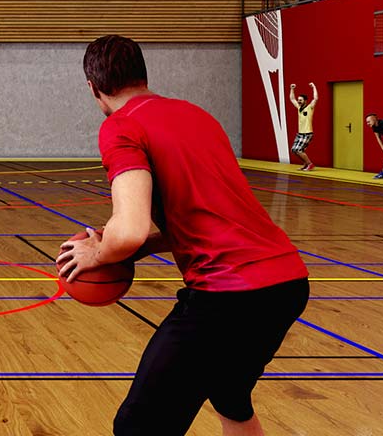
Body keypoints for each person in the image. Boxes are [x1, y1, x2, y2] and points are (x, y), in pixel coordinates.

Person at [57, 35, 308, 436]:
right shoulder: (196, 115)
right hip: (286, 285)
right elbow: (201, 220)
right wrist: (130, 250)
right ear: (143, 74)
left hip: (230, 295)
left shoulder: (120, 127)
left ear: (93, 88)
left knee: (138, 426)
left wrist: (100, 252)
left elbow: (131, 228)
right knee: (230, 397)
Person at [287, 82, 317, 172]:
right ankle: (305, 164)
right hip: (300, 133)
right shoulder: (299, 108)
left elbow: (315, 98)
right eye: (298, 100)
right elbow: (292, 99)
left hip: (307, 133)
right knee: (294, 150)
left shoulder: (310, 107)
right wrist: (292, 88)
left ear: (305, 101)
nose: (299, 101)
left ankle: (310, 164)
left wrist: (314, 87)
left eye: (301, 100)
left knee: (299, 150)